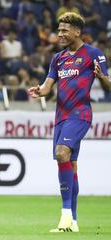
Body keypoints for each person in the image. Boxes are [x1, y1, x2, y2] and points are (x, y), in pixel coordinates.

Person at [28, 12, 111, 233]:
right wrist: (39, 91)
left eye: (65, 30)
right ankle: (72, 222)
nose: (60, 34)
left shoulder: (94, 54)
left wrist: (102, 78)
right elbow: (47, 86)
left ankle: (65, 215)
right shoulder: (58, 58)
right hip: (61, 117)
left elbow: (108, 86)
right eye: (59, 30)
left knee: (61, 152)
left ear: (77, 31)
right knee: (69, 164)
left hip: (80, 114)